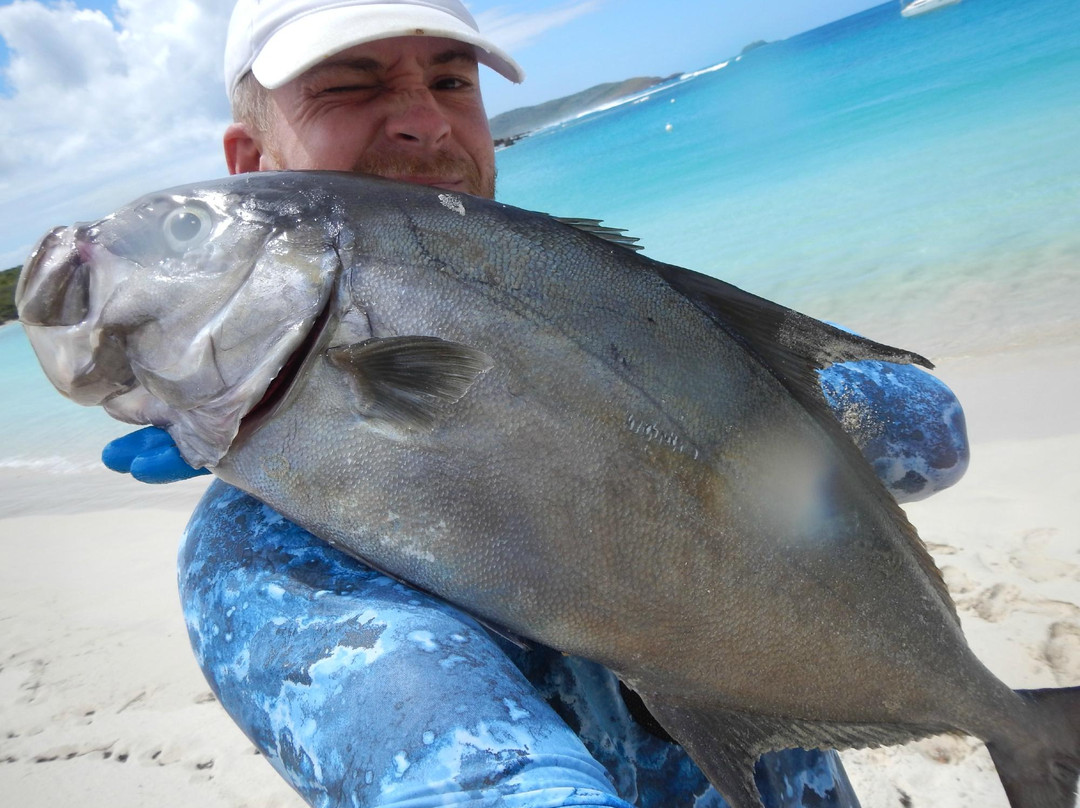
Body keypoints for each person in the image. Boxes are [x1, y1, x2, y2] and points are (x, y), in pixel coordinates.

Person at [102, 1, 971, 805]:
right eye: (349, 87)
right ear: (250, 167)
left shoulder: (599, 302)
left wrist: (689, 390)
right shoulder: (261, 557)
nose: (424, 119)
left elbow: (933, 435)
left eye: (452, 81)